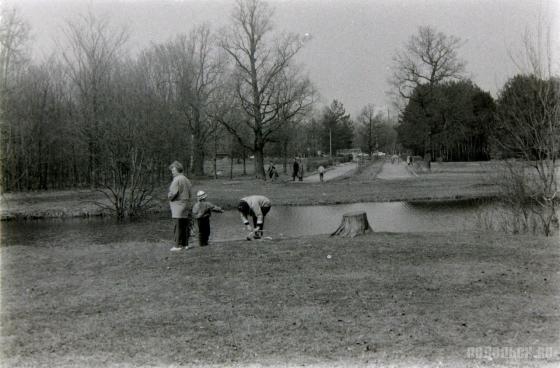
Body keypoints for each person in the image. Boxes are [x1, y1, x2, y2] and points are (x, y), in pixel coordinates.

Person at [168, 161, 193, 251]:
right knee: (185, 226)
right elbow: (190, 193)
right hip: (186, 204)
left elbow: (173, 194)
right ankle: (185, 244)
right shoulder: (186, 179)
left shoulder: (177, 180)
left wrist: (169, 197)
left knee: (177, 226)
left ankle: (177, 245)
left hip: (178, 206)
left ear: (178, 169)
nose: (172, 172)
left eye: (173, 170)